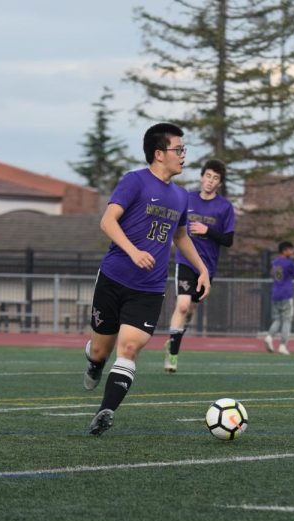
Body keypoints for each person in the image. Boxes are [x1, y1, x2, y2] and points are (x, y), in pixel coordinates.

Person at [83, 123, 211, 436]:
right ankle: (94, 364)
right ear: (158, 154)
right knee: (101, 350)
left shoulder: (181, 197)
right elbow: (107, 221)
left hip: (149, 288)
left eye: (184, 149)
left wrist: (202, 269)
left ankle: (106, 411)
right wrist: (133, 250)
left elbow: (181, 236)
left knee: (128, 348)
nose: (183, 155)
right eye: (178, 149)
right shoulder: (134, 181)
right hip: (114, 277)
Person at [163, 159, 235, 373]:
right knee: (183, 305)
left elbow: (228, 240)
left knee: (191, 309)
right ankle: (172, 355)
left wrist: (207, 231)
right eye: (208, 176)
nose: (210, 181)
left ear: (219, 183)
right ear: (202, 176)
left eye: (215, 178)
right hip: (185, 260)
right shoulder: (187, 198)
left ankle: (173, 341)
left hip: (207, 267)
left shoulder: (225, 207)